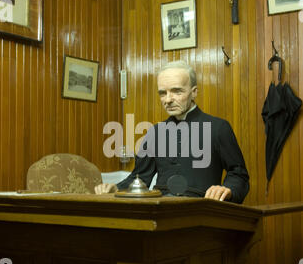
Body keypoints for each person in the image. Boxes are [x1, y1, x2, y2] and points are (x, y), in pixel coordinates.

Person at [95, 61, 249, 203]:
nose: (168, 100)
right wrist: (116, 188)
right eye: (163, 93)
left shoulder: (218, 127)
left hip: (201, 211)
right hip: (160, 209)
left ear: (194, 92)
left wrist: (227, 189)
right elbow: (140, 177)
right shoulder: (155, 132)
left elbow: (239, 175)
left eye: (176, 91)